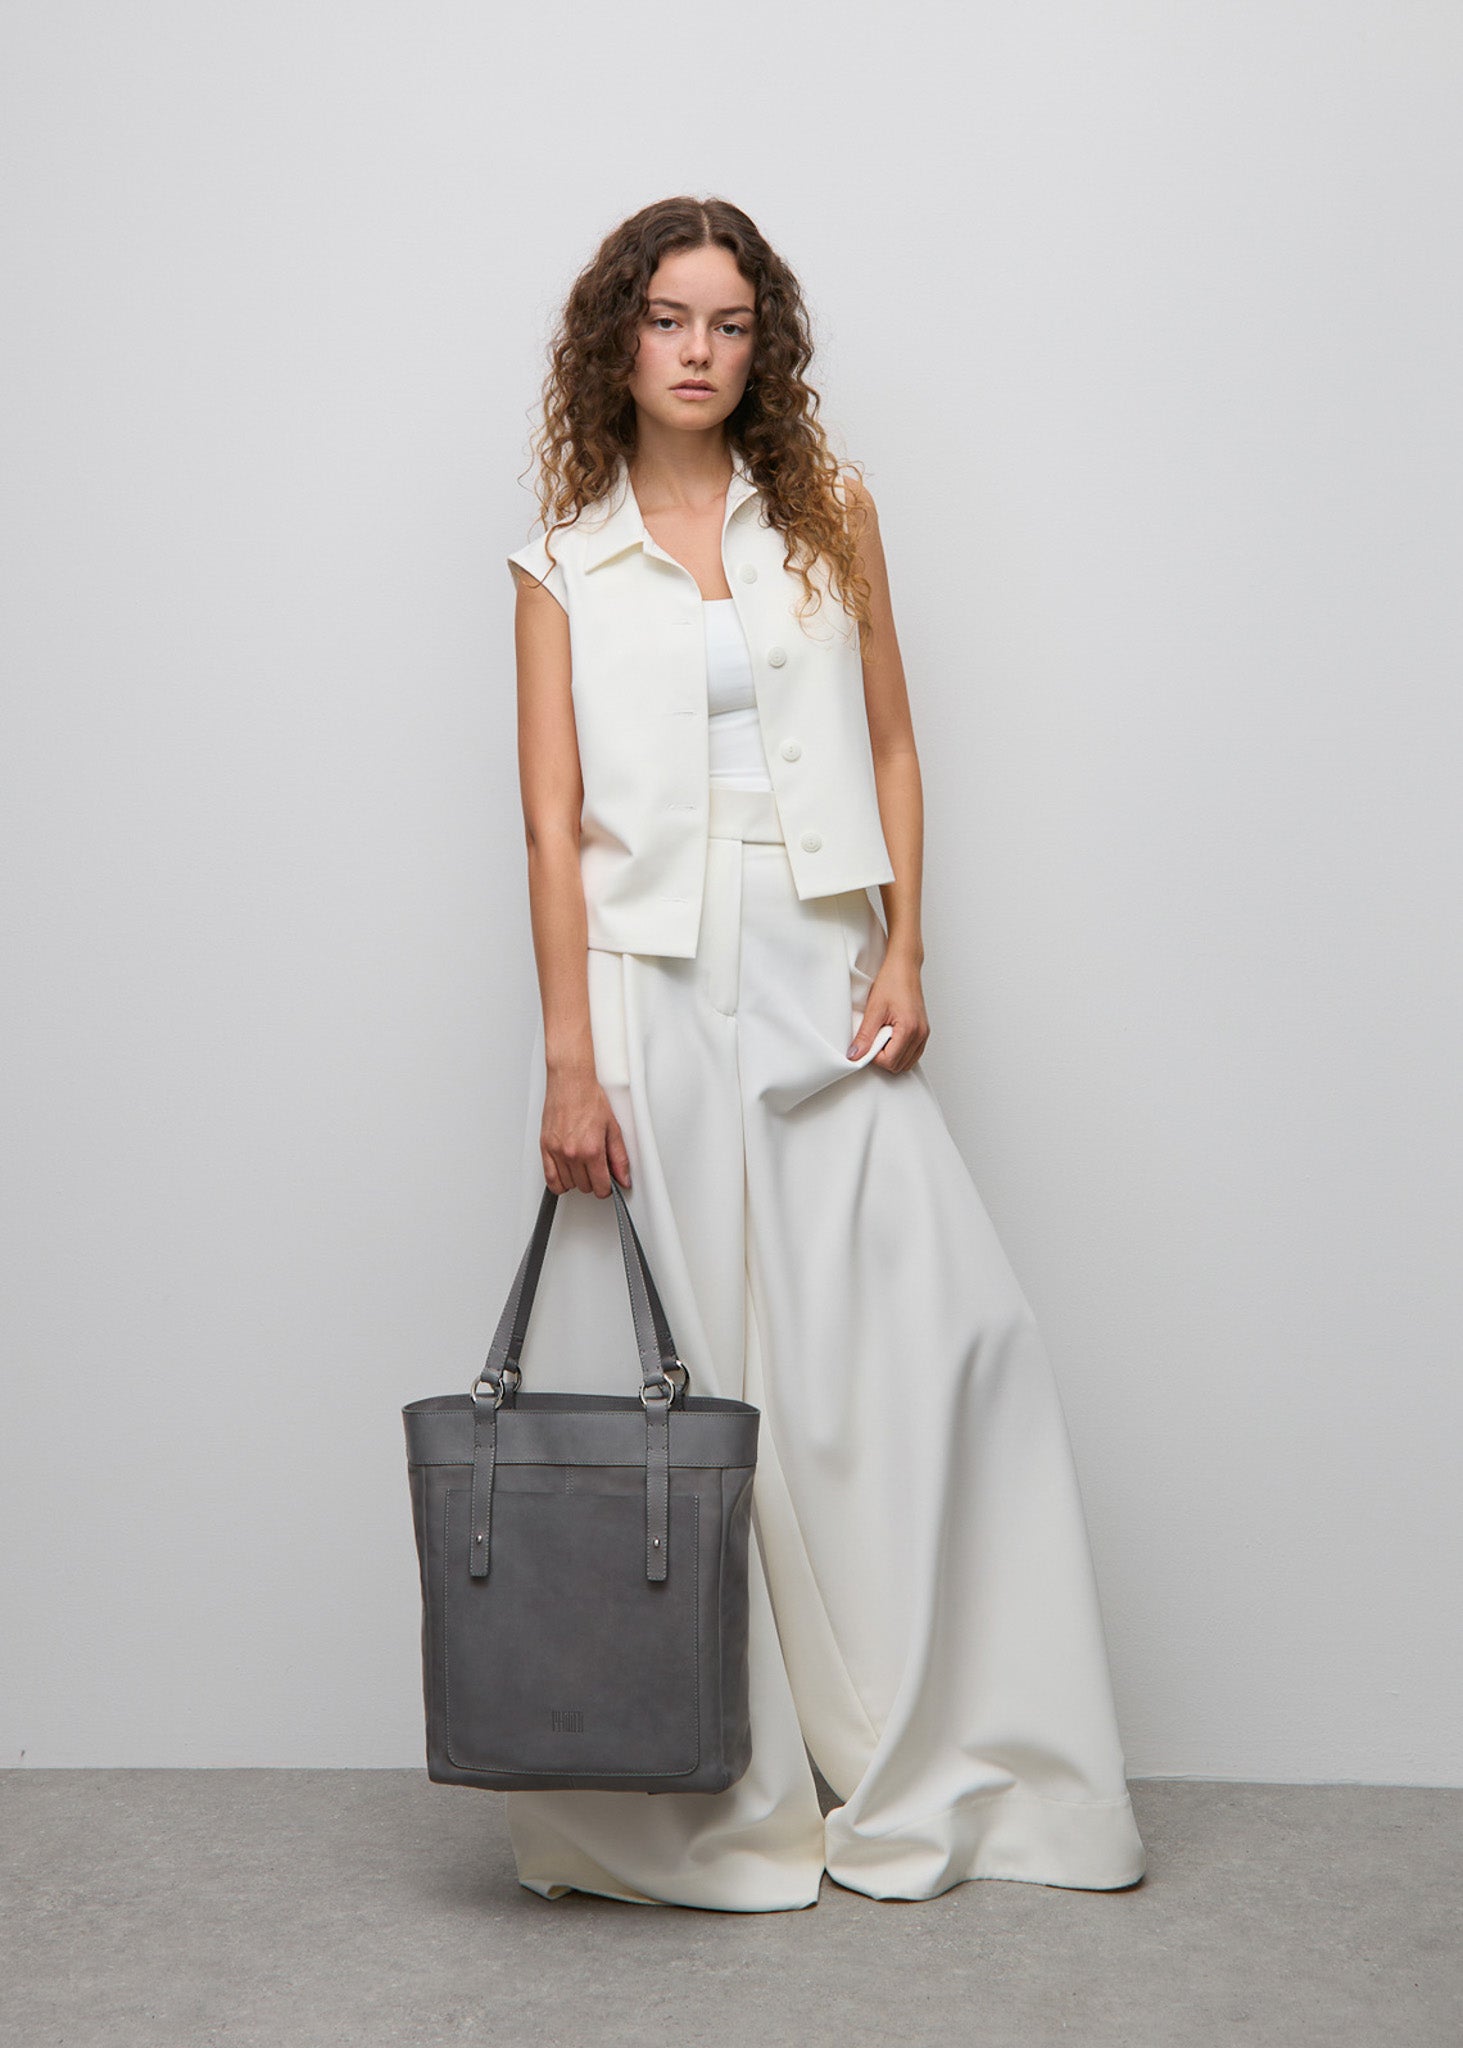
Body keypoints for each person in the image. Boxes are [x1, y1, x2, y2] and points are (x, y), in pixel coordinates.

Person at [501, 195, 1147, 1912]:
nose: (700, 352)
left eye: (728, 322)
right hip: (649, 993)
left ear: (759, 341)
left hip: (819, 971)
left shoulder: (833, 514)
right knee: (704, 1383)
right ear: (617, 342)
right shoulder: (564, 559)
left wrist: (908, 945)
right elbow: (551, 828)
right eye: (668, 320)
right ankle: (715, 1779)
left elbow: (896, 740)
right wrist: (572, 1060)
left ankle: (945, 1743)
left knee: (936, 1343)